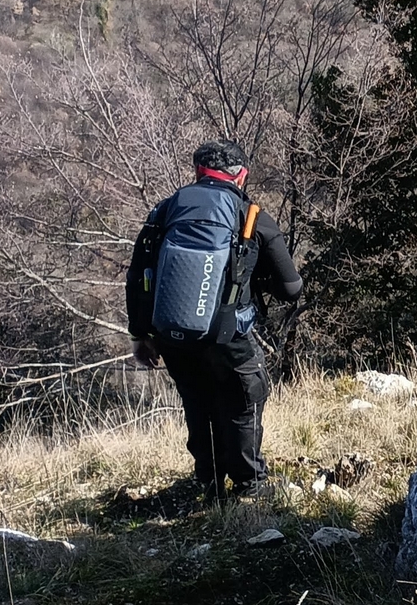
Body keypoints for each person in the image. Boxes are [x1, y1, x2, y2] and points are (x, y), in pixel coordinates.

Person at [126, 139, 304, 499]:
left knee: (198, 401)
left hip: (172, 336)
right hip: (229, 335)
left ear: (198, 172)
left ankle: (209, 482)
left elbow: (139, 274)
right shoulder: (251, 217)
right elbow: (291, 288)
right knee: (244, 399)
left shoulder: (164, 211)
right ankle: (249, 486)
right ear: (241, 176)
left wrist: (140, 334)